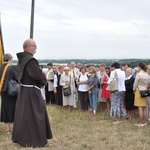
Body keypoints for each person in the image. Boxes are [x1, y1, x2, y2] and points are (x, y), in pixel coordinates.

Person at [12, 39, 52, 147]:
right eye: (35, 46)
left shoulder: (22, 59)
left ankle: (23, 139)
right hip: (31, 92)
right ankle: (36, 140)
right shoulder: (30, 60)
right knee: (37, 114)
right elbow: (37, 75)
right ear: (29, 47)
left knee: (25, 115)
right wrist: (43, 76)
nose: (36, 48)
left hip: (25, 91)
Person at [0, 53, 18, 133]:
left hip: (3, 92)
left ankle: (7, 129)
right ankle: (15, 128)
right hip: (12, 92)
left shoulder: (0, 68)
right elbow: (18, 78)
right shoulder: (12, 68)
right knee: (13, 109)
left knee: (4, 109)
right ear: (10, 59)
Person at [133, 62, 149, 127]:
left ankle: (141, 122)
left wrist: (134, 89)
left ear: (139, 67)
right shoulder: (146, 74)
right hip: (145, 91)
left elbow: (135, 83)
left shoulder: (139, 74)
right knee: (144, 107)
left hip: (139, 91)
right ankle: (144, 122)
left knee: (140, 107)